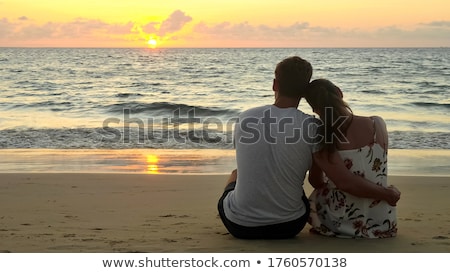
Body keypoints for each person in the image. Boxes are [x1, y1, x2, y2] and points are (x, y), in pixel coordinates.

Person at [217, 57, 400, 239]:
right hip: (289, 226)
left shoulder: (245, 118)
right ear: (304, 92)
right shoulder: (313, 127)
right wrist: (387, 194)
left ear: (275, 85)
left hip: (239, 226)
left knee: (237, 173)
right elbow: (342, 181)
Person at [305, 78, 398, 238]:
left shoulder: (322, 135)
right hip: (382, 221)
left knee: (317, 194)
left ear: (315, 109)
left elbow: (318, 181)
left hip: (345, 223)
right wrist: (386, 194)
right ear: (340, 93)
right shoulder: (377, 124)